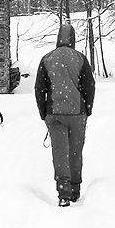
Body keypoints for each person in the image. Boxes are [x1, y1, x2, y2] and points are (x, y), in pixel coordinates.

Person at [33, 23, 96, 206]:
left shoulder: (47, 59)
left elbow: (39, 89)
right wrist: (88, 109)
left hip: (55, 114)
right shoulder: (80, 59)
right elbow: (89, 86)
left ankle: (63, 193)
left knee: (60, 152)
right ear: (73, 39)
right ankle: (75, 190)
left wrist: (43, 112)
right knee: (75, 152)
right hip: (77, 114)